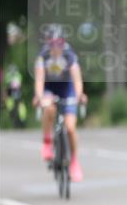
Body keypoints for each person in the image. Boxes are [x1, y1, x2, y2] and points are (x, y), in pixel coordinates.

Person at [32, 25, 87, 182]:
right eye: (53, 43)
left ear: (63, 42)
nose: (56, 47)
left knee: (70, 128)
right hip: (49, 87)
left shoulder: (70, 55)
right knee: (48, 108)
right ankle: (47, 142)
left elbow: (76, 78)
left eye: (60, 42)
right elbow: (40, 80)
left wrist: (80, 94)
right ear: (48, 43)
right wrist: (39, 96)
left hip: (66, 88)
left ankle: (74, 162)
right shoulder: (42, 56)